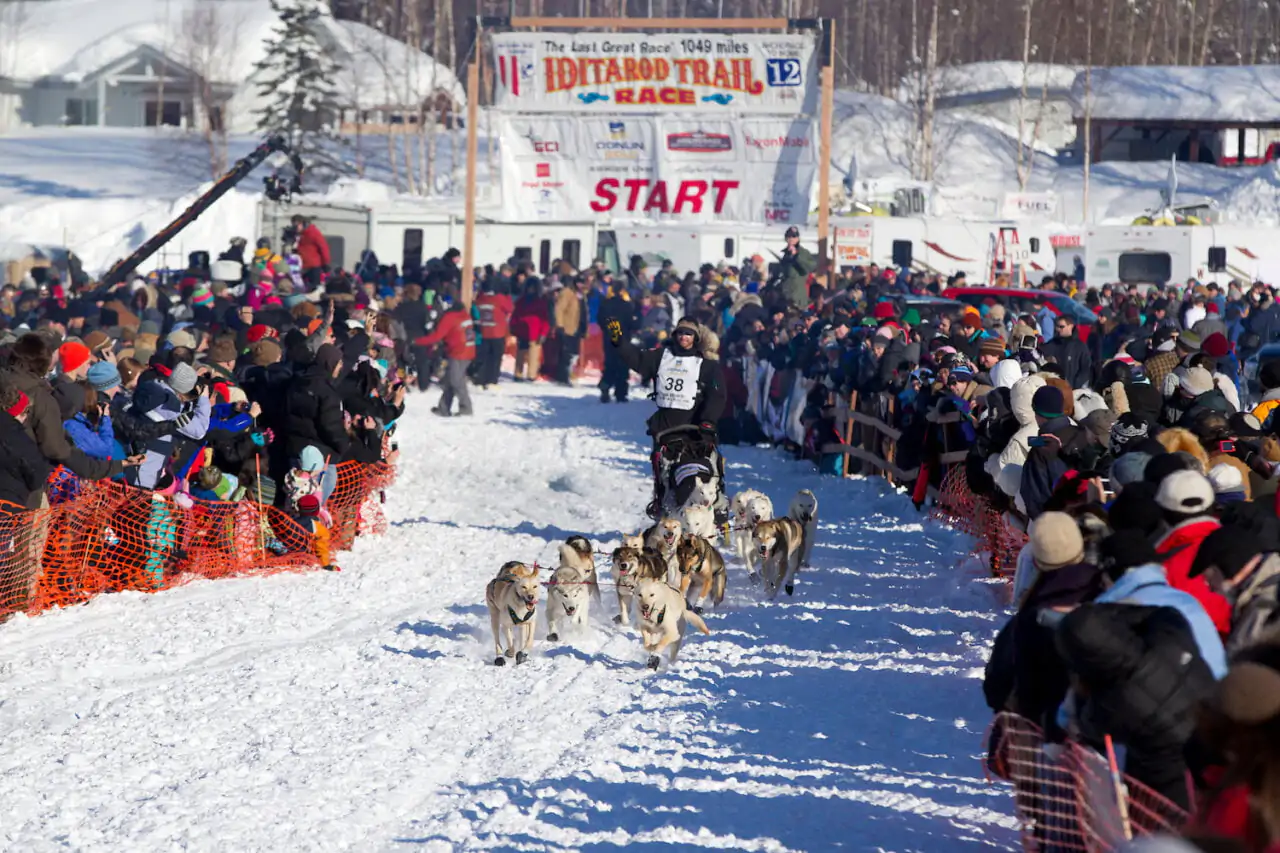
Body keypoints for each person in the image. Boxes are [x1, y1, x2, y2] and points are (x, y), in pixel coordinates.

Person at [413, 295, 476, 417]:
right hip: (469, 350)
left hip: (458, 353)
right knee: (450, 380)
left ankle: (466, 408)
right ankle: (444, 408)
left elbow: (437, 336)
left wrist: (417, 341)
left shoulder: (449, 317)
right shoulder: (464, 314)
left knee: (456, 381)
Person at [596, 281, 638, 403]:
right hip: (623, 339)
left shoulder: (605, 304)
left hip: (609, 338)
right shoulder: (627, 306)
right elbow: (632, 323)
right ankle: (621, 393)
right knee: (622, 366)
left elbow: (600, 320)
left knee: (609, 364)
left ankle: (605, 387)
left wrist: (606, 330)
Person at [474, 281, 514, 390]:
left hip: (483, 331)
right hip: (497, 332)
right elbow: (510, 308)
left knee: (484, 357)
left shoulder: (480, 299)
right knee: (495, 357)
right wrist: (507, 296)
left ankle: (480, 379)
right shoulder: (499, 299)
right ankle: (492, 380)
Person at [1039, 314, 1092, 389]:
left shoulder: (1080, 346)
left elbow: (1085, 369)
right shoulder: (1050, 345)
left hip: (1072, 390)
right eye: (1056, 326)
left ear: (1071, 326)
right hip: (1052, 389)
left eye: (1061, 327)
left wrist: (1076, 385)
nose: (1058, 329)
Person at [777, 225, 816, 311]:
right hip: (786, 295)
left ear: (798, 238)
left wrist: (796, 256)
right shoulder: (785, 255)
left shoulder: (803, 253)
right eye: (789, 236)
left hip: (797, 297)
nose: (791, 239)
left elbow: (809, 267)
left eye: (794, 236)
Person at [291, 214, 331, 289]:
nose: (296, 228)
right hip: (300, 267)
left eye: (297, 226)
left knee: (314, 288)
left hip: (313, 266)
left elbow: (323, 247)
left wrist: (325, 262)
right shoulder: (297, 235)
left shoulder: (313, 232)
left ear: (302, 224)